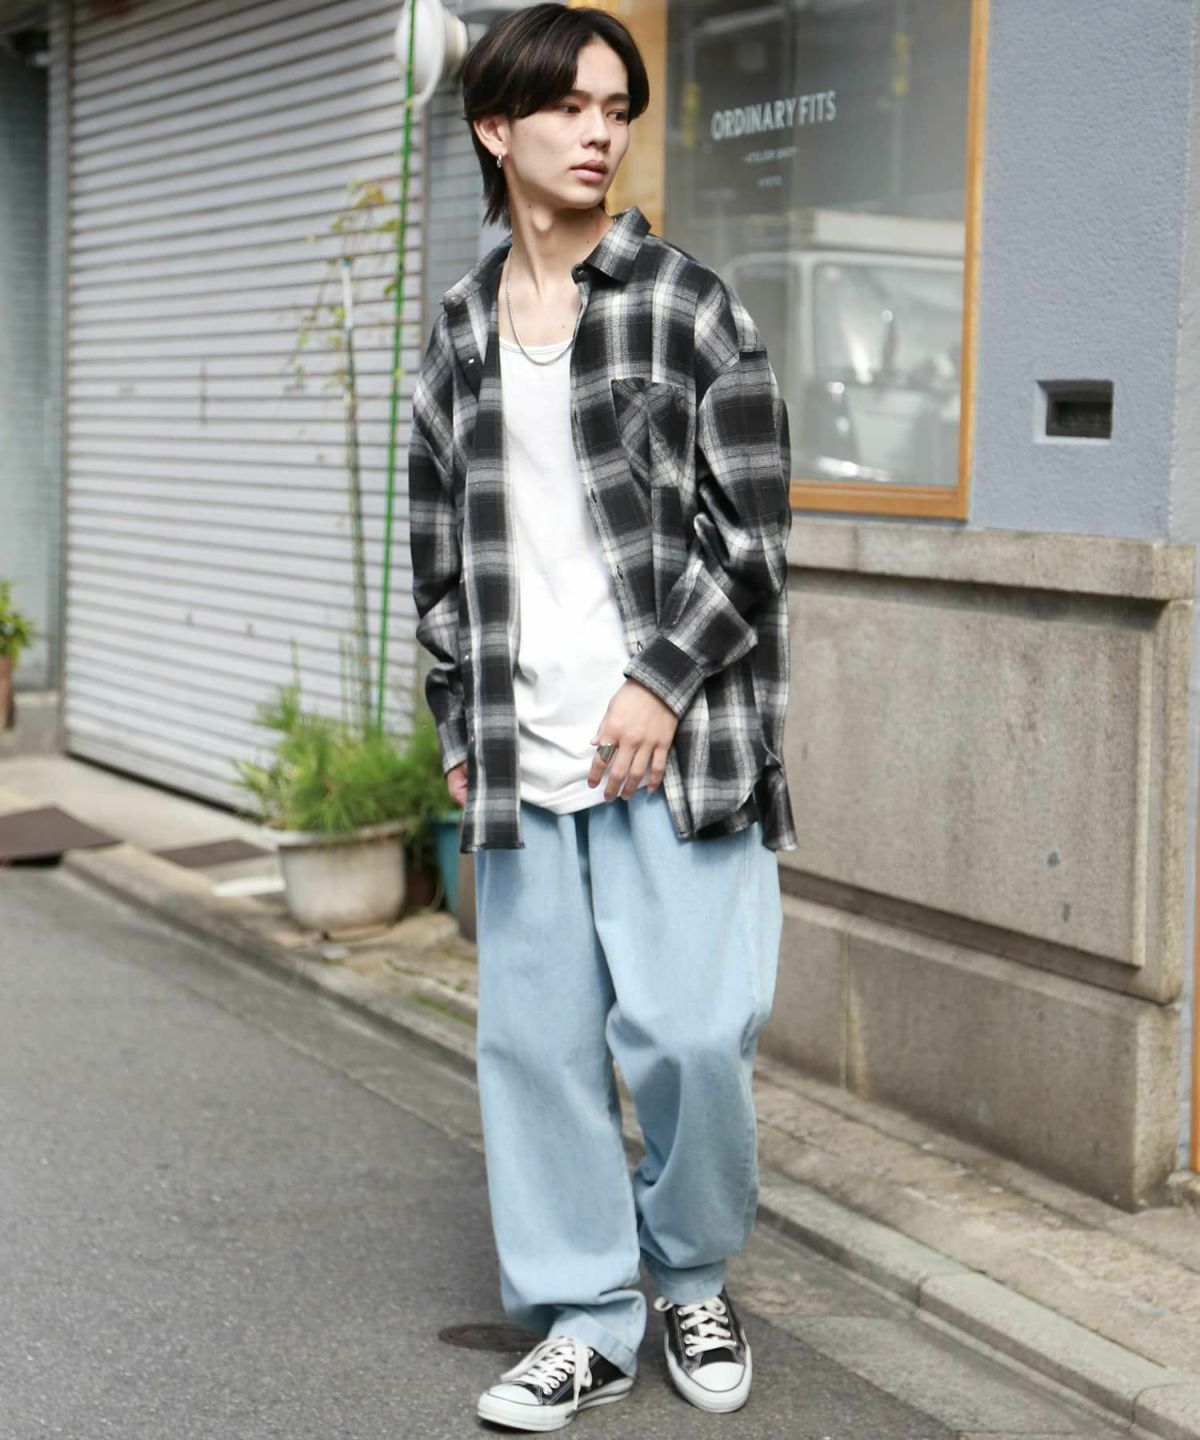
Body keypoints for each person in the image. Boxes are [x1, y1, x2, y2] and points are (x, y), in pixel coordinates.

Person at [407, 4, 797, 1428]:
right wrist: (459, 724)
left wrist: (658, 682)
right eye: (569, 107)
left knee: (692, 1037)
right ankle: (584, 1314)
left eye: (616, 109)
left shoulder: (686, 305)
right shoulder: (458, 336)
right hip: (524, 761)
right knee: (539, 1056)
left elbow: (754, 539)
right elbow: (439, 565)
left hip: (673, 757)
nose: (598, 133)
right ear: (495, 127)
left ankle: (689, 1275)